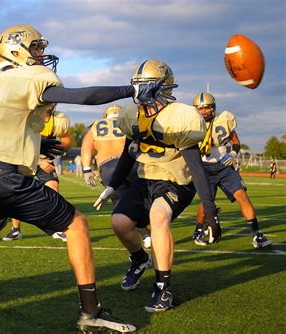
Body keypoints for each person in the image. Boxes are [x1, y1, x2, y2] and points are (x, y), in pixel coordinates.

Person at [0, 24, 174, 333]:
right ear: (16, 50)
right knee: (77, 224)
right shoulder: (32, 78)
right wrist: (131, 90)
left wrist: (37, 142)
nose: (41, 54)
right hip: (3, 179)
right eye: (36, 48)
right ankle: (91, 312)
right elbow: (80, 97)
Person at [94, 59, 220, 312]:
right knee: (119, 223)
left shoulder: (180, 116)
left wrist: (209, 208)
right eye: (137, 85)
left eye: (146, 85)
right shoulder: (131, 114)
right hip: (145, 178)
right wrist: (112, 186)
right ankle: (140, 259)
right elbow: (130, 152)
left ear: (163, 87)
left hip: (175, 180)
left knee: (158, 216)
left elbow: (195, 166)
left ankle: (163, 289)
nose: (140, 91)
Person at [191, 92, 272, 248]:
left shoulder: (224, 119)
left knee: (243, 196)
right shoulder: (192, 124)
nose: (203, 112)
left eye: (206, 108)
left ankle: (257, 235)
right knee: (207, 202)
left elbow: (235, 141)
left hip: (224, 166)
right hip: (204, 168)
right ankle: (199, 231)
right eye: (200, 109)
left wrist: (233, 154)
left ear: (213, 107)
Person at [81, 104, 151, 249]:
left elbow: (86, 147)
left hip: (108, 167)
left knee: (122, 203)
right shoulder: (128, 121)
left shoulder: (96, 125)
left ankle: (144, 235)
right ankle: (147, 232)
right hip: (131, 163)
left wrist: (87, 170)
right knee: (141, 197)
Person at [2, 103, 71, 242]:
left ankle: (56, 226)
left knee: (53, 188)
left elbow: (66, 140)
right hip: (24, 160)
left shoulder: (58, 119)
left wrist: (55, 147)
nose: (49, 104)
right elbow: (19, 143)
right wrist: (38, 161)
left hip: (45, 160)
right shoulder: (27, 116)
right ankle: (15, 230)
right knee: (16, 194)